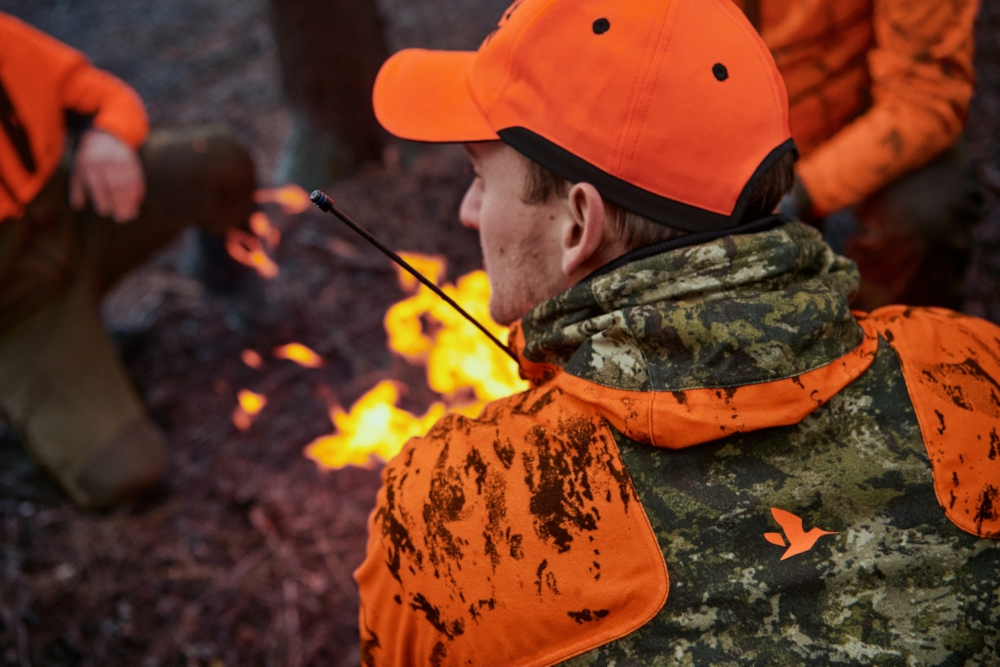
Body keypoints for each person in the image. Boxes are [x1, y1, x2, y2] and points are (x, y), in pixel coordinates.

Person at [352, 0, 1000, 664]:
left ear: (579, 225)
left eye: (479, 177)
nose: (467, 211)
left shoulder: (449, 514)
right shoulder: (969, 370)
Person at [0, 12, 258, 510]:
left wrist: (109, 136)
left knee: (213, 160)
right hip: (19, 314)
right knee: (123, 474)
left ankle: (229, 280)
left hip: (74, 213)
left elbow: (97, 92)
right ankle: (36, 396)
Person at [734, 0, 983, 311]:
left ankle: (895, 338)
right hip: (732, 117)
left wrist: (798, 193)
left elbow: (924, 95)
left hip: (858, 122)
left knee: (925, 216)